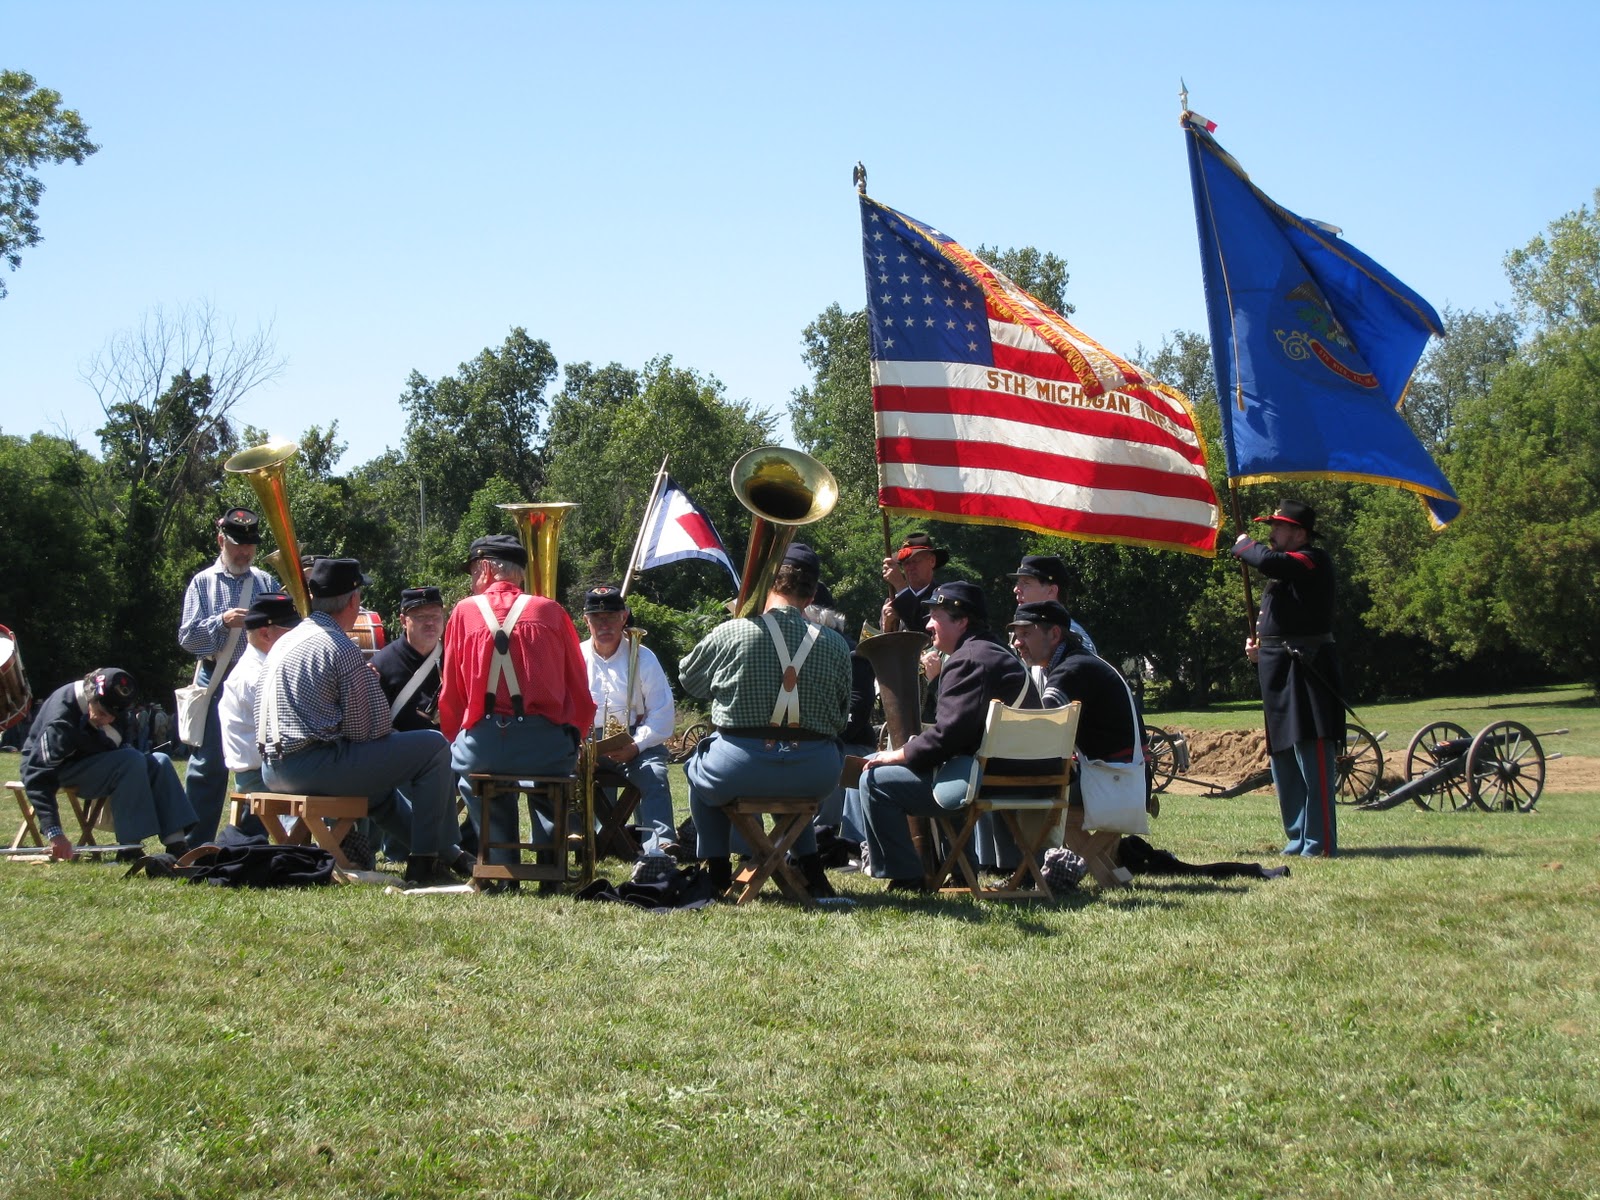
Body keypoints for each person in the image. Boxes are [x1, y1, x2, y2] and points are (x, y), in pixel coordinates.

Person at [257, 558, 465, 885]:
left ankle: (447, 854)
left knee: (380, 796)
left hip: (272, 769)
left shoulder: (287, 640)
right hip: (310, 765)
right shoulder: (338, 645)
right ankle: (425, 862)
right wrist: (367, 688)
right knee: (434, 746)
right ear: (354, 600)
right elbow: (366, 732)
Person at [678, 548, 851, 898]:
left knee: (697, 768)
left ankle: (717, 870)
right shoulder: (837, 643)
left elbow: (689, 682)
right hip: (815, 773)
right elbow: (841, 714)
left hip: (740, 768)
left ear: (767, 581)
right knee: (793, 789)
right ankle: (812, 870)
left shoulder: (731, 632)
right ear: (813, 593)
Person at [859, 581, 1043, 891]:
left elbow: (948, 739)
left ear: (961, 621)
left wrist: (897, 754)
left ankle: (906, 878)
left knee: (875, 783)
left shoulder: (967, 660)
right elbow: (962, 735)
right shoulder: (995, 653)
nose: (928, 624)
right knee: (948, 769)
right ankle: (961, 868)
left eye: (936, 615)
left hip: (991, 780)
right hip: (1019, 774)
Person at [436, 536, 595, 866]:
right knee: (551, 784)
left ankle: (499, 861)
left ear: (487, 569)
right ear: (519, 573)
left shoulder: (464, 613)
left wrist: (460, 736)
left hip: (484, 745)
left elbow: (451, 690)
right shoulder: (550, 611)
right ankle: (551, 863)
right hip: (546, 747)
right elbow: (577, 685)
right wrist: (574, 733)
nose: (472, 579)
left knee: (473, 775)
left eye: (473, 571)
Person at [1232, 500, 1342, 857]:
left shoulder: (1312, 559)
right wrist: (1259, 649)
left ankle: (1319, 841)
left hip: (1307, 669)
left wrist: (1244, 544)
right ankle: (1297, 837)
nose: (1272, 534)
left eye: (1278, 527)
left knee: (1313, 756)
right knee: (1284, 759)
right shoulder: (1284, 578)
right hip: (1277, 668)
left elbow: (1266, 560)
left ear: (1299, 533)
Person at [177, 506, 279, 846]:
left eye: (249, 545)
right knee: (206, 767)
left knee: (257, 763)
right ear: (222, 540)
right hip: (217, 681)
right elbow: (189, 639)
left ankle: (253, 839)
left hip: (259, 685)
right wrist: (221, 622)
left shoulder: (265, 581)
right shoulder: (202, 583)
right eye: (237, 544)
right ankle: (196, 845)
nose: (245, 552)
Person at [20, 667, 195, 861]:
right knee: (131, 760)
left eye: (115, 714)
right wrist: (55, 833)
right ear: (90, 697)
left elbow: (121, 740)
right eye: (103, 713)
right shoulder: (61, 720)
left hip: (97, 761)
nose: (110, 720)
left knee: (159, 761)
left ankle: (177, 843)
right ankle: (130, 848)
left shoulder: (114, 706)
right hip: (59, 770)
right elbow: (37, 774)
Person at [578, 584, 677, 857]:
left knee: (654, 774)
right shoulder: (575, 657)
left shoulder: (644, 658)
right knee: (563, 774)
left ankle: (661, 846)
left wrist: (636, 745)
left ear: (624, 617)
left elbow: (662, 713)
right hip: (588, 741)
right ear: (586, 621)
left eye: (611, 617)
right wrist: (579, 745)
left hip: (635, 740)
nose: (604, 624)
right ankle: (577, 840)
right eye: (597, 618)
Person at [217, 592, 301, 796]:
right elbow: (293, 733)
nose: (300, 637)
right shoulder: (255, 677)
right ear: (265, 634)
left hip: (272, 771)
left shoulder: (267, 667)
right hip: (263, 778)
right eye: (292, 631)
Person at [371, 586, 446, 733]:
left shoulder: (455, 658)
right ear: (403, 621)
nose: (430, 623)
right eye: (421, 617)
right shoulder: (381, 665)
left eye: (435, 616)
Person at [1008, 555, 1097, 654]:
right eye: (1017, 583)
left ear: (1051, 591)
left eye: (1026, 583)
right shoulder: (1040, 633)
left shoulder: (1072, 637)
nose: (1016, 590)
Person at [879, 531, 947, 633]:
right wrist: (886, 627)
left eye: (915, 561)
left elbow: (925, 633)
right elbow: (885, 646)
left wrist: (900, 586)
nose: (910, 568)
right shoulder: (892, 601)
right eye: (906, 563)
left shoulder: (943, 596)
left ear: (932, 561)